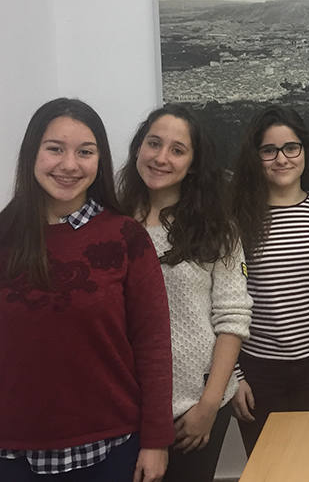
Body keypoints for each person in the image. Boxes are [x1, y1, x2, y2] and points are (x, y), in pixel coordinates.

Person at [0, 98, 173, 481]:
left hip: (110, 449)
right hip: (13, 452)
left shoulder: (126, 237)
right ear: (32, 153)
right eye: (55, 149)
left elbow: (154, 346)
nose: (69, 165)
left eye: (85, 152)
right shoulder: (4, 236)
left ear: (100, 161)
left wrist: (157, 441)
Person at [118, 105, 252, 481]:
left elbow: (233, 317)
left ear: (193, 163)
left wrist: (209, 405)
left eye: (177, 150)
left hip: (196, 403)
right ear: (138, 148)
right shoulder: (111, 221)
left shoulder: (217, 228)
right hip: (124, 406)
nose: (161, 158)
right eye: (154, 144)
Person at [230, 106, 309, 456]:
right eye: (268, 150)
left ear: (305, 151)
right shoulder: (236, 221)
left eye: (291, 148)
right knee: (267, 464)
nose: (281, 158)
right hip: (256, 369)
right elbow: (222, 303)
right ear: (256, 158)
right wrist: (233, 376)